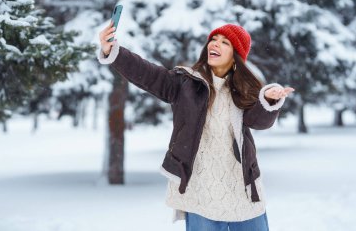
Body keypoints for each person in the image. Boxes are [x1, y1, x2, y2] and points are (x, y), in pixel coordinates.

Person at [98, 20, 295, 231]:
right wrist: (114, 52)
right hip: (201, 190)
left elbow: (258, 121)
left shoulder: (243, 89)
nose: (215, 44)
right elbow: (149, 74)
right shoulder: (185, 83)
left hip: (242, 188)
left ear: (236, 54)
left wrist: (268, 100)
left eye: (225, 42)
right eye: (213, 40)